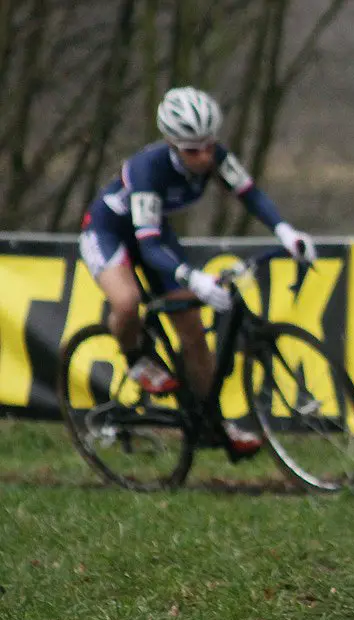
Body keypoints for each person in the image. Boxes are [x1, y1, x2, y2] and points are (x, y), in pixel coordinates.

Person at [78, 86, 316, 456]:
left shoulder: (213, 156)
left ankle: (212, 422)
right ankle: (135, 357)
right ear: (172, 144)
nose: (204, 156)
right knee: (127, 301)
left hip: (154, 232)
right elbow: (149, 246)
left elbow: (249, 193)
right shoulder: (147, 171)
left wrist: (284, 230)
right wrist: (194, 278)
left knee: (192, 331)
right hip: (109, 232)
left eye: (209, 145)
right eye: (193, 150)